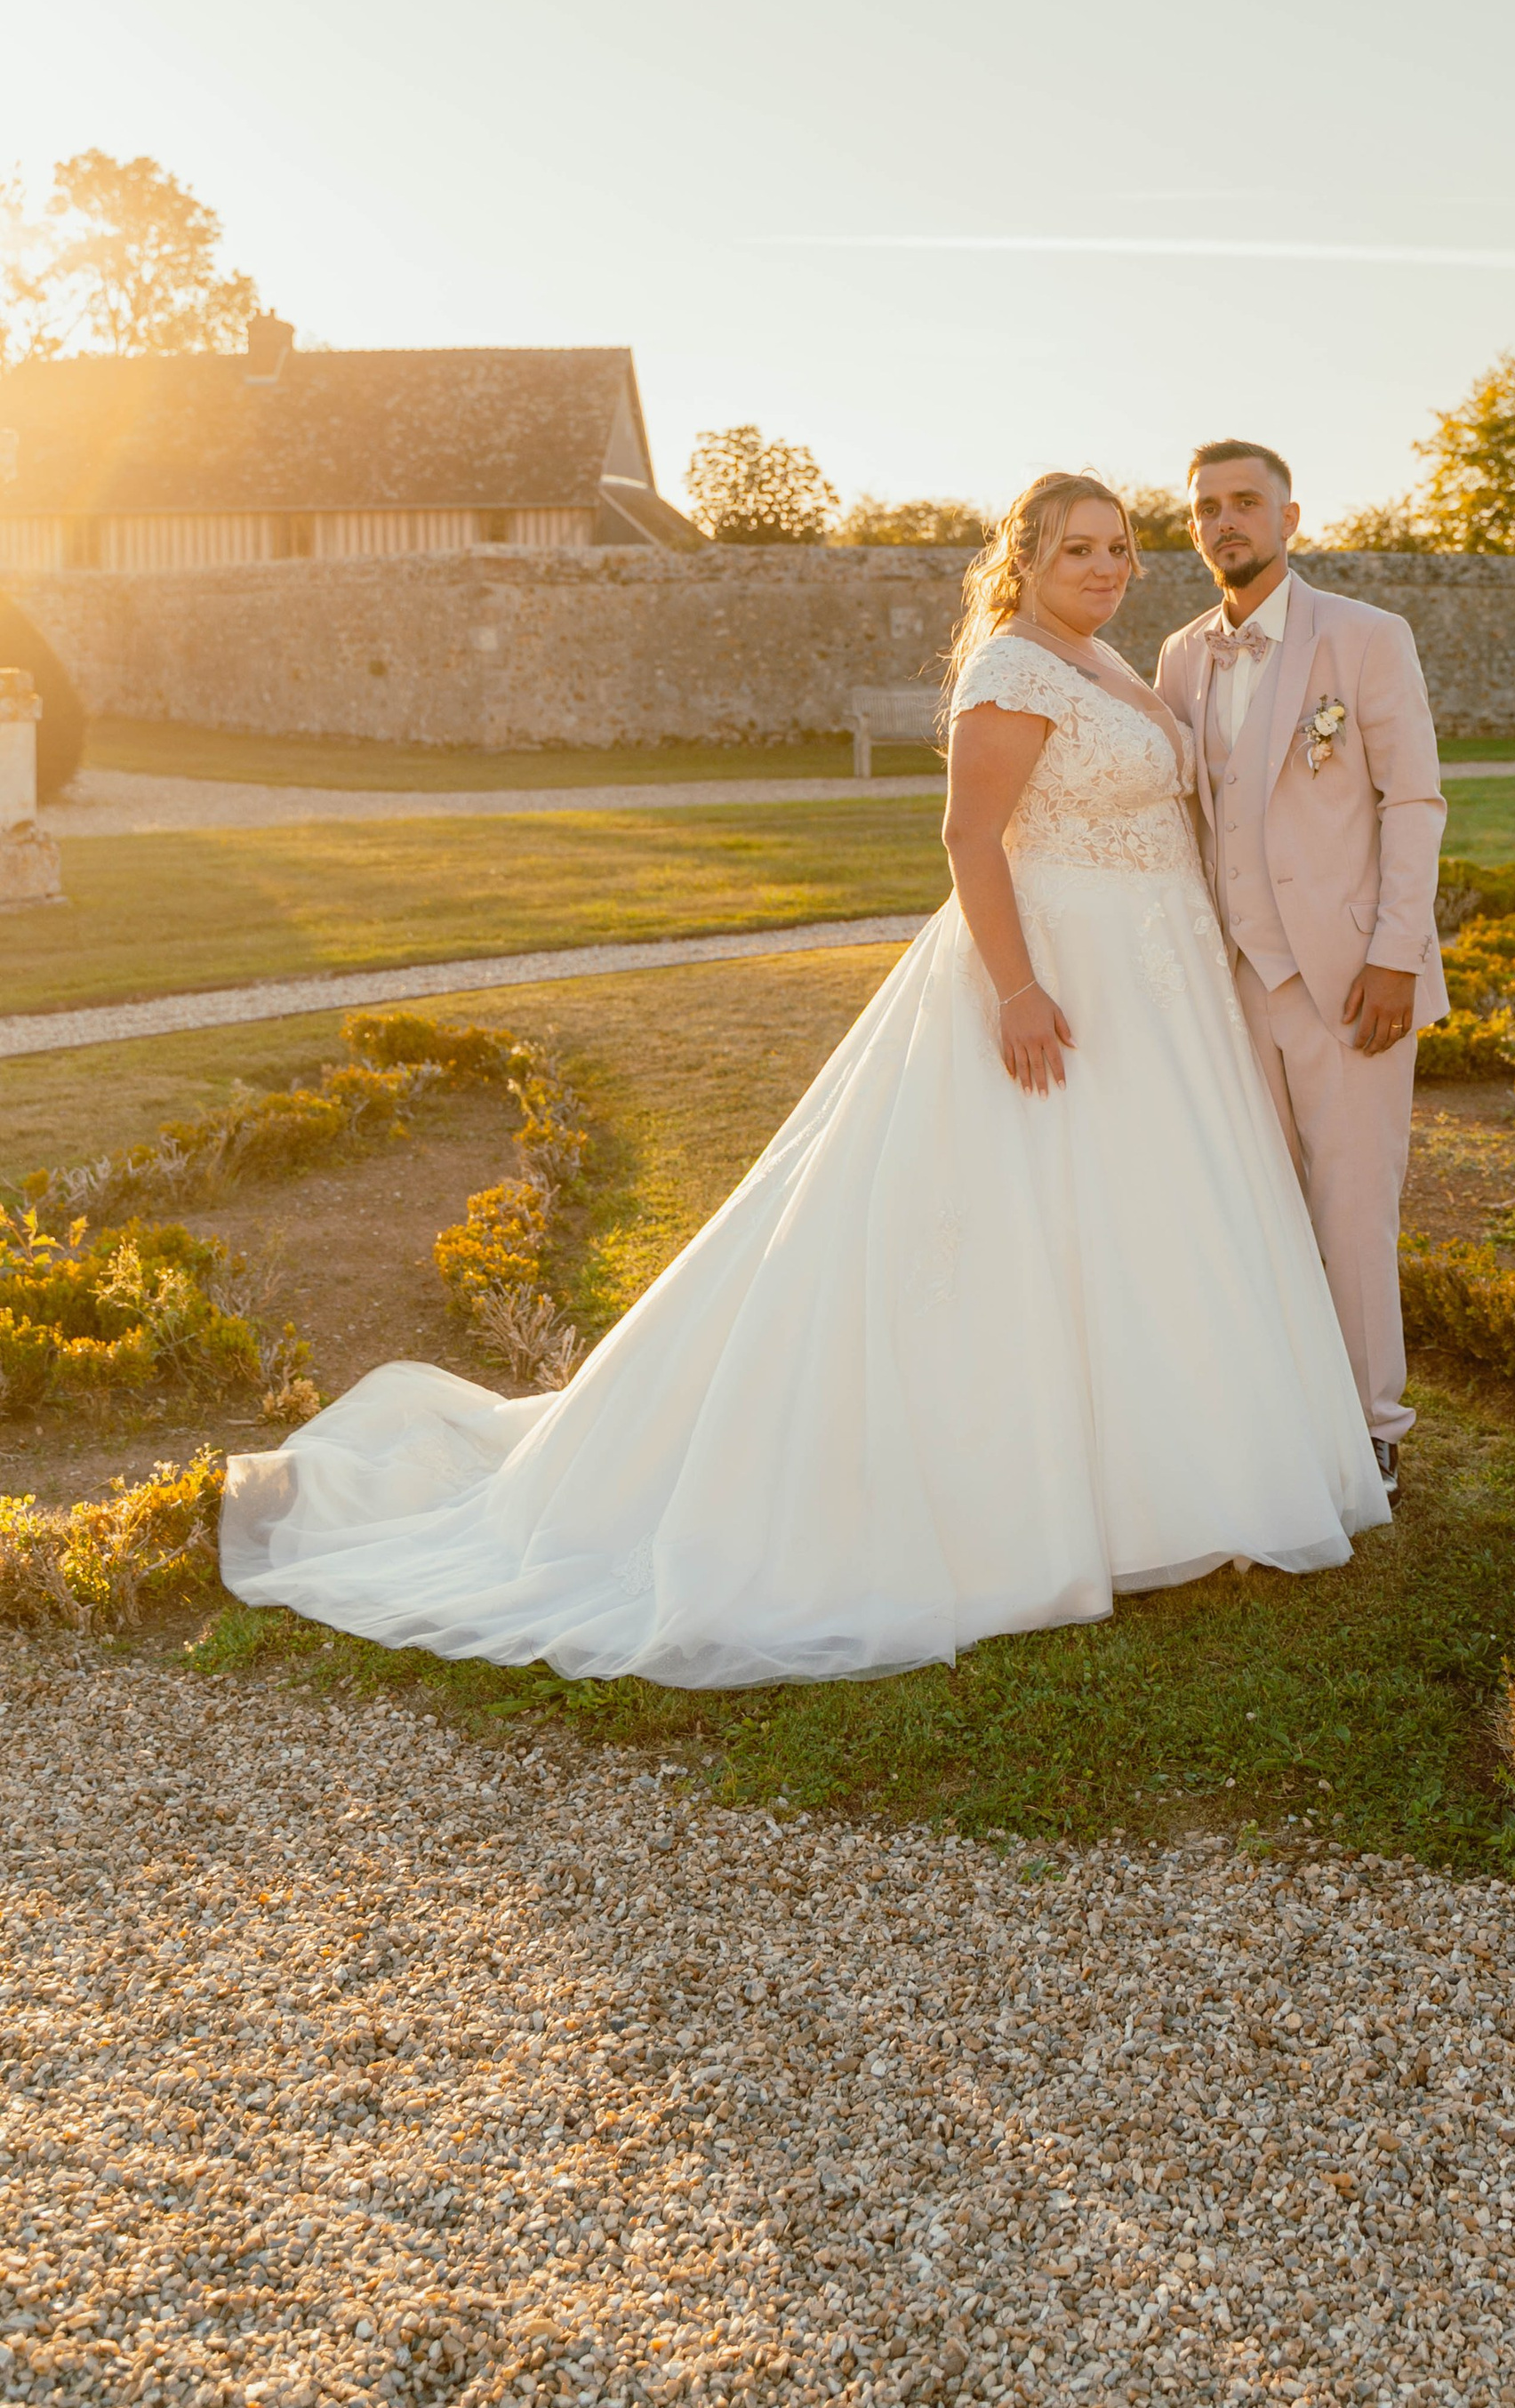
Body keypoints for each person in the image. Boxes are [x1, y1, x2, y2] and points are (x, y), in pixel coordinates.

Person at [219, 473, 1386, 1687]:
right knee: (1025, 1231)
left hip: (1160, 992)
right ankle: (1026, 1498)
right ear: (1025, 558)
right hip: (1062, 978)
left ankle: (1170, 1482)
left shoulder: (1112, 664)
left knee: (1150, 1230)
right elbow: (968, 839)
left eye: (1121, 547)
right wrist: (1019, 990)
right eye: (1079, 548)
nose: (1106, 566)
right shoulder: (1013, 666)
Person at [1155, 443, 1447, 1497]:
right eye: (1206, 510)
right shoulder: (1181, 654)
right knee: (1258, 1201)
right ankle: (1281, 1414)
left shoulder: (1367, 637)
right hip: (1230, 980)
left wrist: (1394, 957)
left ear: (1289, 515)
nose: (1225, 522)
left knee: (1353, 1204)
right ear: (1192, 530)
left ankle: (1372, 1428)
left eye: (1245, 503)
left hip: (1349, 978)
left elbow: (1412, 800)